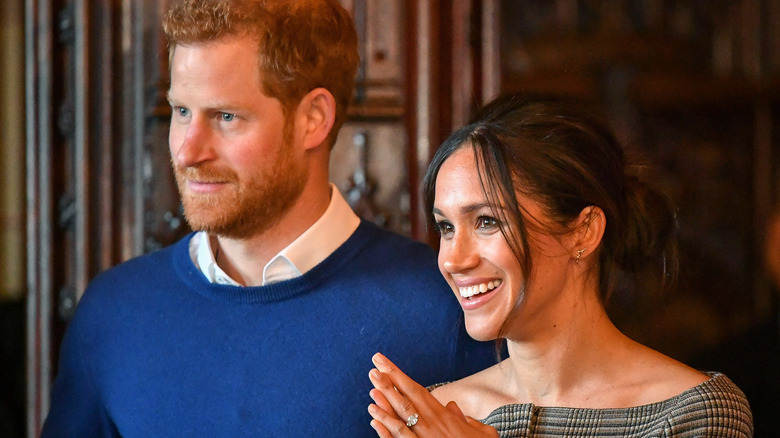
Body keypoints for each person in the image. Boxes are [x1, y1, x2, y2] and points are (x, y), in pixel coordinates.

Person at [40, 0, 493, 436]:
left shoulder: (445, 308)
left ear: (313, 118)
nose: (186, 151)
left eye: (225, 116)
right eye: (181, 111)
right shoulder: (113, 312)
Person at [366, 94, 754, 437]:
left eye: (487, 221)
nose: (452, 259)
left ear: (583, 232)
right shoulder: (437, 417)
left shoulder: (693, 414)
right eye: (446, 227)